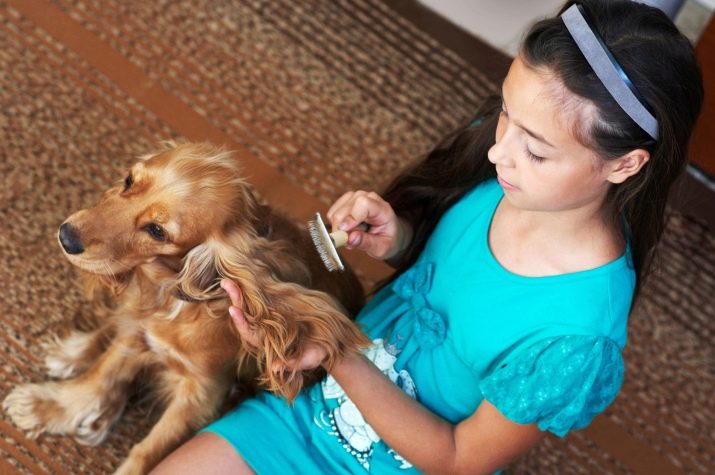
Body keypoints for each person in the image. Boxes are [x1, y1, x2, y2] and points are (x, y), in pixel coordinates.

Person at [152, 1, 703, 473]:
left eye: (536, 150)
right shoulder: (509, 178)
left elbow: (458, 460)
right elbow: (448, 273)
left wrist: (335, 350)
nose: (498, 150)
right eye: (505, 113)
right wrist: (397, 239)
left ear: (624, 164)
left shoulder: (575, 341)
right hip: (306, 409)